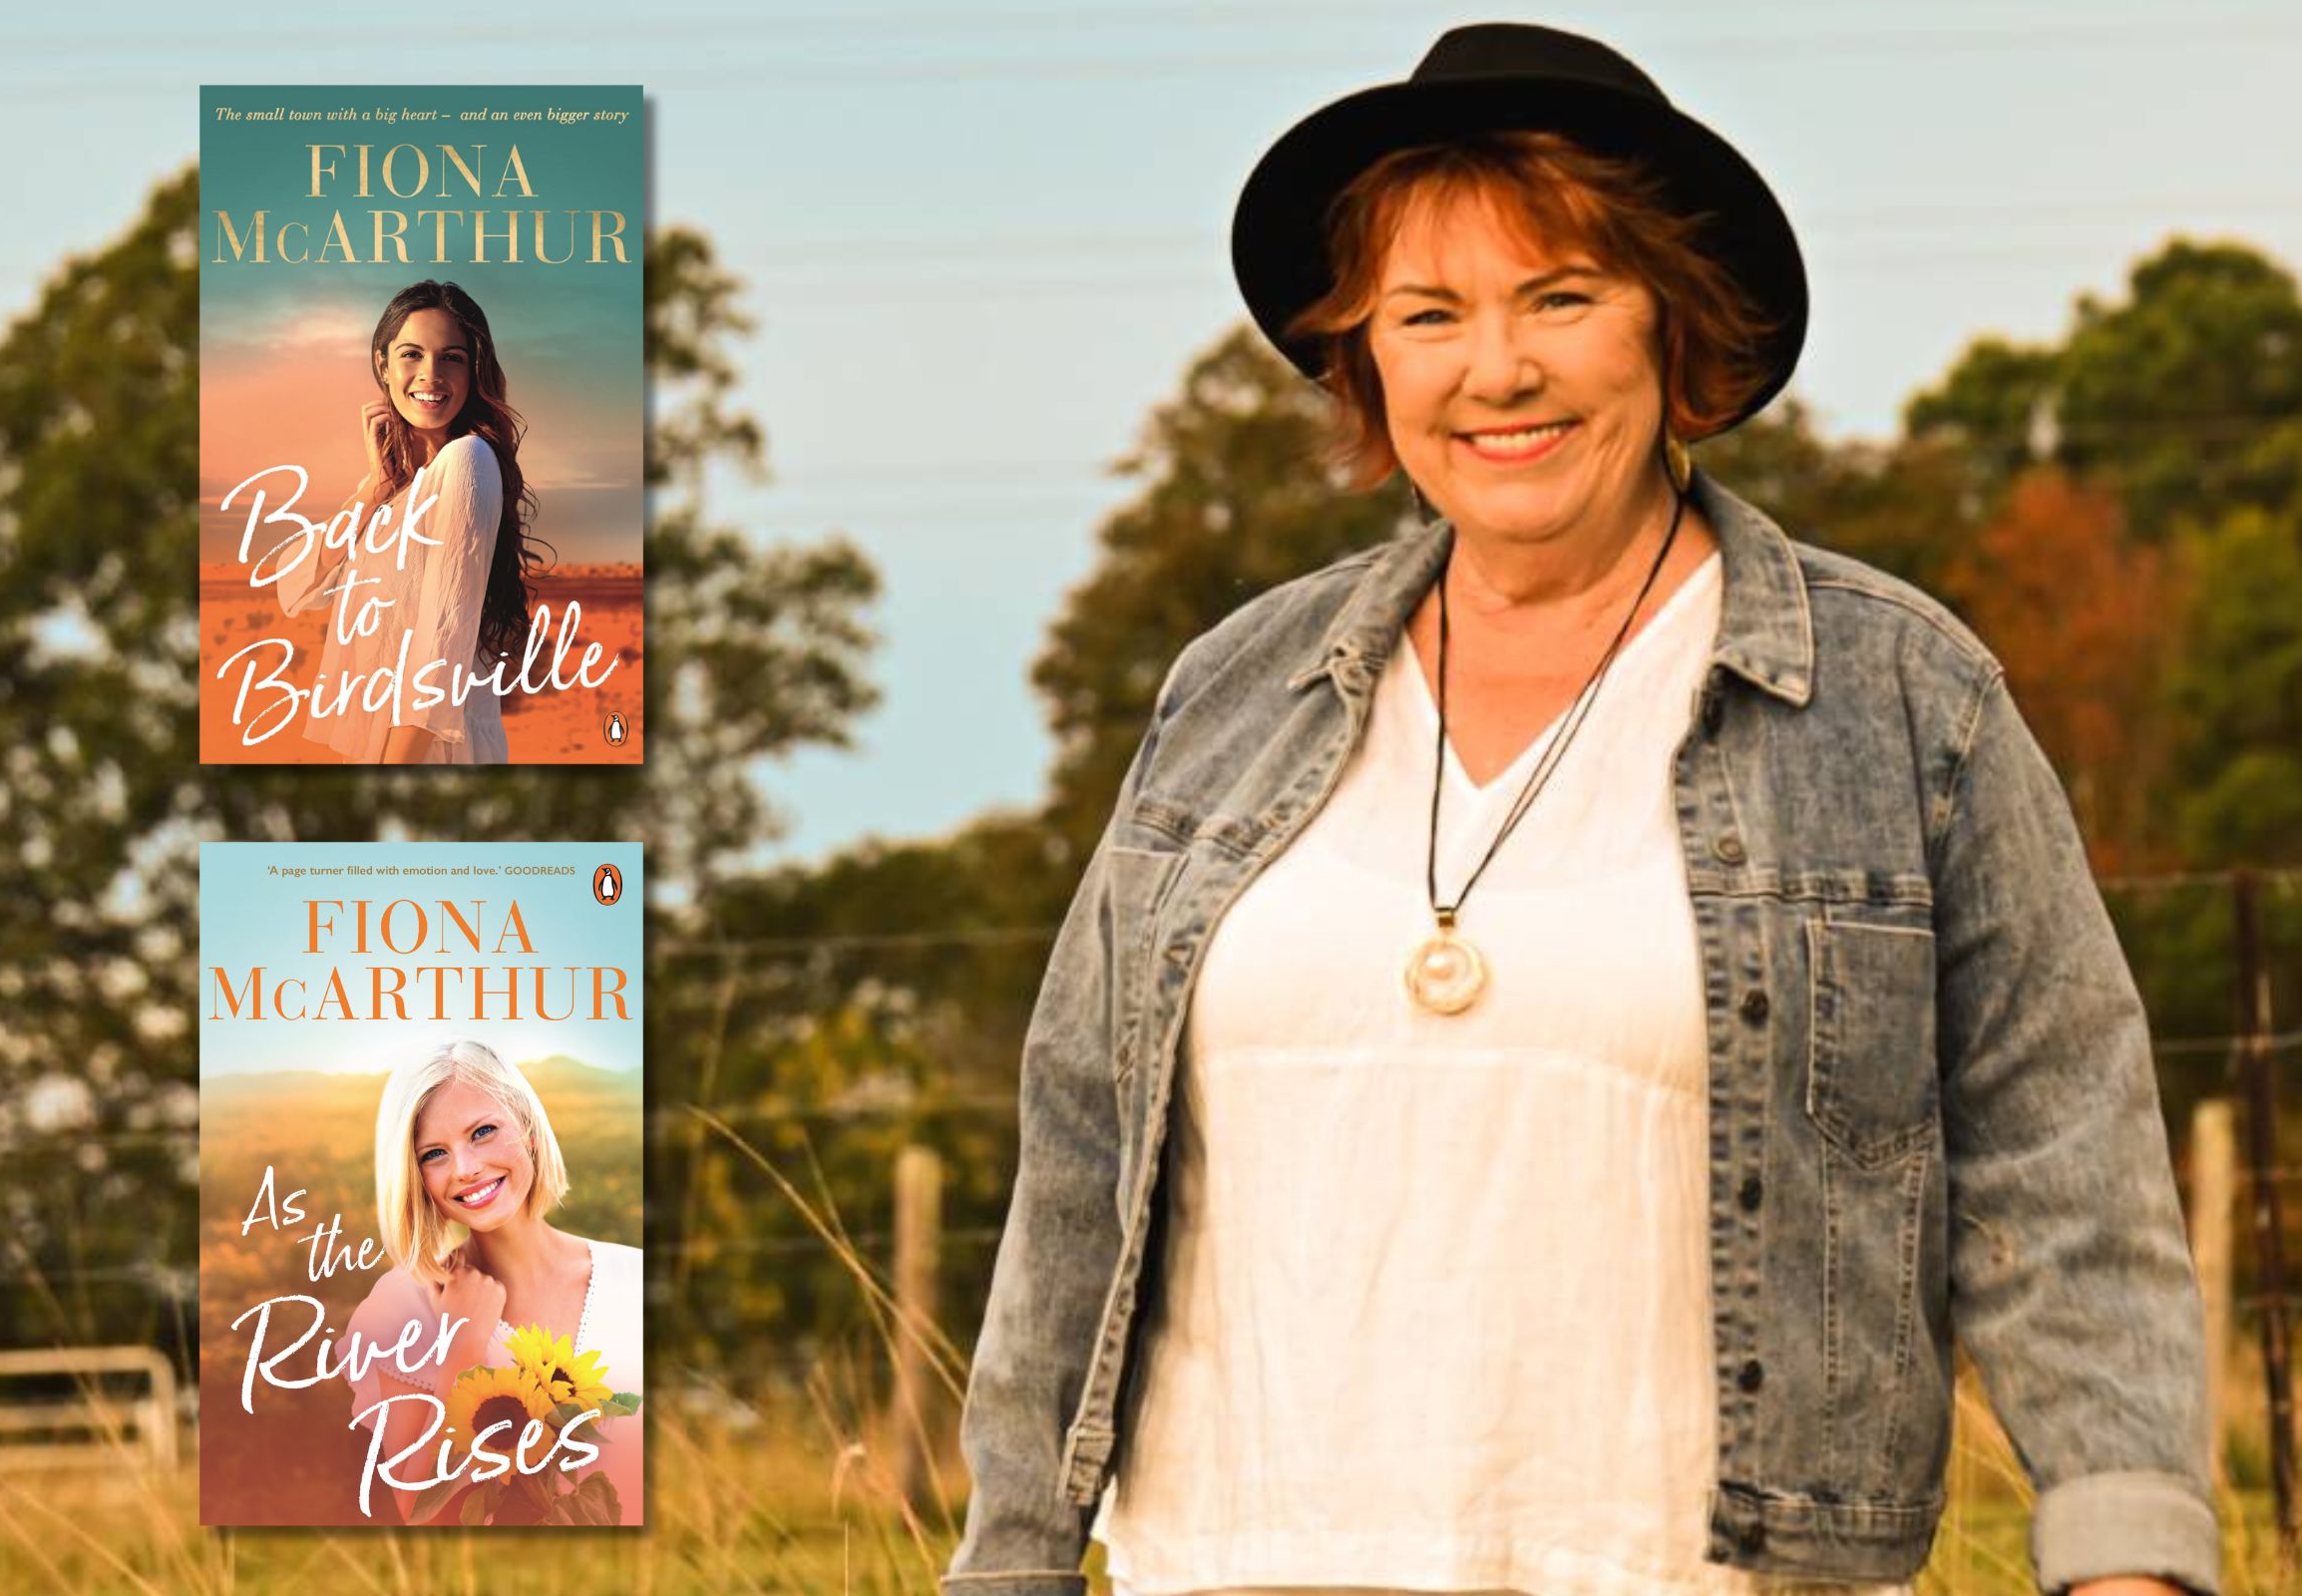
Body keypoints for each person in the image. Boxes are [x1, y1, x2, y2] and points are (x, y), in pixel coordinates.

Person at [947, 24, 2214, 1596]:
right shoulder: (1231, 691)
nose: (1500, 370)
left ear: (1676, 333)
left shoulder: (1902, 701)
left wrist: (2129, 1558)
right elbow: (1079, 1163)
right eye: (1430, 314)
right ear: (1368, 363)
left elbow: (2063, 1170)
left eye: (1563, 297)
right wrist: (1009, 1561)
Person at [344, 1039, 641, 1525]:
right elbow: (418, 1512)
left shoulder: (633, 1279)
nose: (464, 1169)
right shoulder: (402, 1309)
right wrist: (458, 1344)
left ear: (527, 1128)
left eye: (482, 1132)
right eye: (434, 1154)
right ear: (414, 1176)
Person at [276, 280, 546, 764]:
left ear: (473, 371)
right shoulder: (392, 493)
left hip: (433, 752)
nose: (431, 375)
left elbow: (438, 657)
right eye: (412, 354)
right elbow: (295, 586)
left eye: (452, 358)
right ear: (383, 364)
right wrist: (375, 488)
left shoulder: (468, 461)